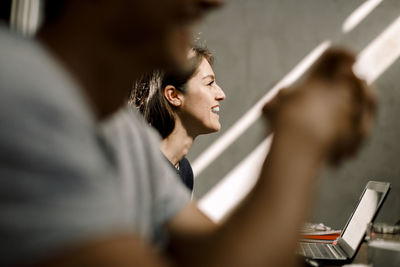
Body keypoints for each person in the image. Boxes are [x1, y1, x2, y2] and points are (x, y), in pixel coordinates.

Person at [0, 1, 375, 267]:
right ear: (172, 96)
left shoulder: (126, 131)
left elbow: (220, 257)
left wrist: (299, 137)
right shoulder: (17, 93)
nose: (213, 2)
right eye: (209, 82)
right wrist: (300, 140)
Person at [131, 46, 225, 191]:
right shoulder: (136, 170)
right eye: (209, 83)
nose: (221, 94)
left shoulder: (185, 172)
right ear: (173, 96)